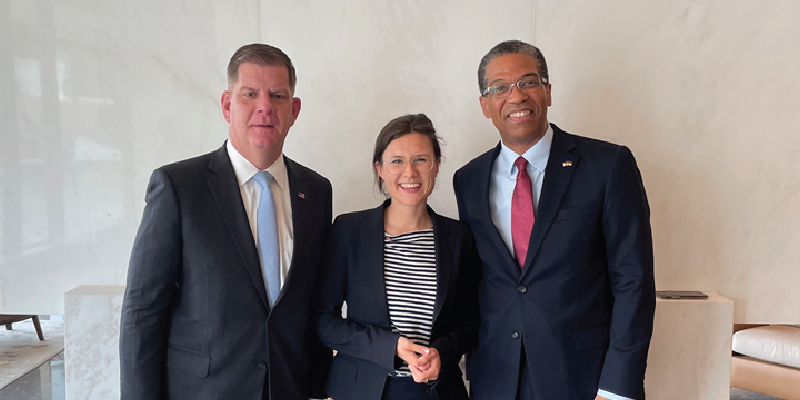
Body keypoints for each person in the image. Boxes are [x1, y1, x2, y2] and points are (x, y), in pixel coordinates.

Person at [119, 43, 332, 400]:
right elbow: (143, 312)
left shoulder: (316, 191)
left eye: (277, 95)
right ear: (227, 105)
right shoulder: (178, 187)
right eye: (250, 94)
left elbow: (312, 306)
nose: (264, 107)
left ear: (293, 110)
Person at [453, 40, 655, 400]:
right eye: (499, 88)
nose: (515, 96)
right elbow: (476, 283)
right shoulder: (467, 180)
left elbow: (633, 282)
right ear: (485, 105)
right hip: (496, 378)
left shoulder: (608, 166)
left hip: (585, 379)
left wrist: (617, 386)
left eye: (528, 82)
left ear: (547, 91)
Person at [314, 114, 480, 400]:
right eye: (396, 161)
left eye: (421, 160)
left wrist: (443, 352)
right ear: (379, 168)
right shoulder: (349, 231)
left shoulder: (460, 237)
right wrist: (389, 347)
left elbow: (471, 322)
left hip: (439, 391)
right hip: (360, 389)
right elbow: (323, 320)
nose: (409, 173)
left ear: (436, 165)